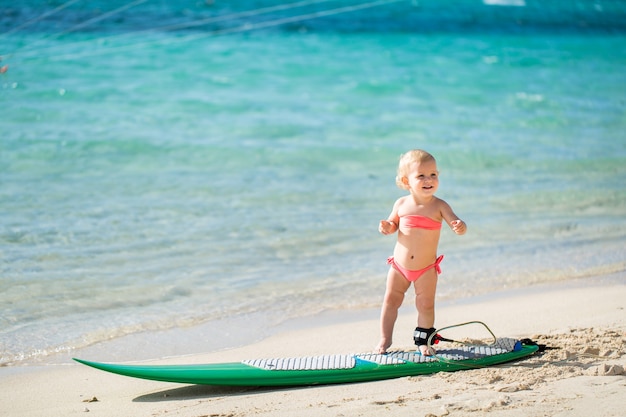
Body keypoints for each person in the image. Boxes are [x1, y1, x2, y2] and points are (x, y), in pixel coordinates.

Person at [375, 149, 466, 355]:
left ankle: (423, 341)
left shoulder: (439, 206)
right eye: (421, 176)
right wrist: (386, 227)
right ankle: (384, 339)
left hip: (426, 268)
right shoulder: (401, 204)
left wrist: (460, 226)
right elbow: (392, 225)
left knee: (425, 305)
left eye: (433, 174)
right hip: (399, 267)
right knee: (390, 301)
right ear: (407, 182)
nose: (429, 180)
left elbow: (456, 223)